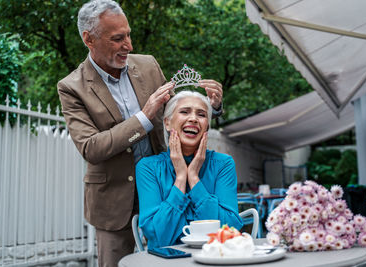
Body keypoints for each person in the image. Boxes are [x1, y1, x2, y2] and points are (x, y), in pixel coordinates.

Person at [57, 0, 223, 265]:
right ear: (89, 39)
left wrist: (212, 106)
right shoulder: (71, 87)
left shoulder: (147, 65)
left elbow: (176, 115)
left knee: (172, 260)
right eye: (118, 38)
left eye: (129, 34)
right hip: (113, 202)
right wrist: (144, 117)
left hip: (164, 189)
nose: (129, 46)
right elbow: (91, 148)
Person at [136, 91, 242, 249]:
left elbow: (230, 229)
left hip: (215, 257)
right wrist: (180, 177)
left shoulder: (223, 164)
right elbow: (156, 235)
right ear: (167, 123)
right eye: (184, 111)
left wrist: (193, 177)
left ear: (206, 125)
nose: (193, 118)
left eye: (201, 114)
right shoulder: (148, 167)